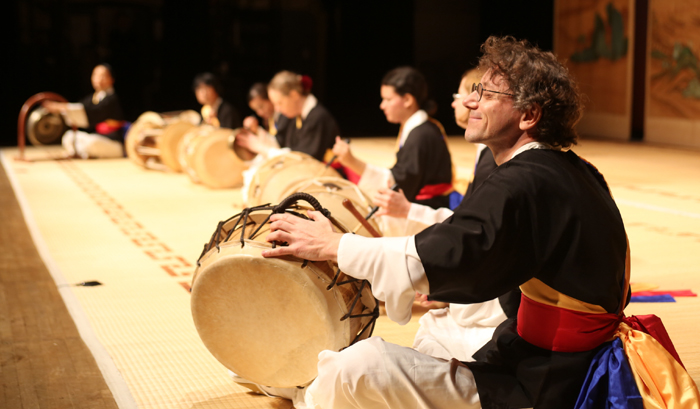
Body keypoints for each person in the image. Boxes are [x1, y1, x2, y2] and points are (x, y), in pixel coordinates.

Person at [259, 36, 699, 408]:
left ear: (529, 116)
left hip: (554, 381)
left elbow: (460, 247)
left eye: (486, 94)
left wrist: (335, 245)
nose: (469, 100)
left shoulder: (526, 181)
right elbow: (477, 249)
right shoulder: (564, 169)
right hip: (534, 352)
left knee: (360, 366)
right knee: (433, 332)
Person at [373, 67, 519, 362]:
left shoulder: (498, 160)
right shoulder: (485, 153)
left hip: (505, 294)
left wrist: (452, 287)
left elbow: (479, 234)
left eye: (474, 95)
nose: (460, 103)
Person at [332, 67, 455, 211]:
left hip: (428, 210)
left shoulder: (421, 135)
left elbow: (400, 185)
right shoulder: (421, 128)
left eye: (388, 99)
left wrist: (352, 162)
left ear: (408, 100)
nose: (382, 105)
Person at [236, 71, 339, 163]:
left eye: (279, 103)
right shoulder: (295, 116)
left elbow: (303, 160)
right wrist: (257, 133)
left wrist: (261, 147)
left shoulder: (317, 118)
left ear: (294, 95)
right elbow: (280, 145)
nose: (277, 109)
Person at [42, 64, 125, 159]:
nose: (99, 79)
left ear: (111, 79)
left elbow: (90, 112)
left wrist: (61, 107)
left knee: (92, 142)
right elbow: (80, 107)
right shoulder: (95, 97)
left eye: (103, 75)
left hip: (113, 142)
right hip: (99, 137)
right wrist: (62, 109)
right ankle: (82, 153)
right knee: (68, 136)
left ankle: (82, 152)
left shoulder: (111, 98)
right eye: (96, 75)